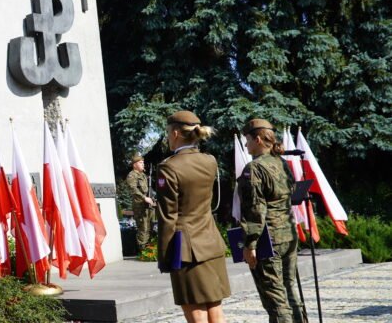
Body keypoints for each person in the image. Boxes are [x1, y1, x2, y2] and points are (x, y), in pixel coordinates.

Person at [156, 110, 230, 323]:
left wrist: (164, 256)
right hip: (211, 241)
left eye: (169, 133)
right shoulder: (210, 161)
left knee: (196, 313)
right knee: (215, 308)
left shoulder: (169, 167)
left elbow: (167, 217)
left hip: (186, 249)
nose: (168, 137)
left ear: (177, 133)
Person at [238, 119, 306, 323]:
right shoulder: (281, 162)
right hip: (288, 234)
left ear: (257, 139)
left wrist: (250, 244)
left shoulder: (254, 168)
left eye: (247, 140)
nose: (246, 145)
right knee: (290, 288)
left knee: (275, 298)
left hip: (269, 239)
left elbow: (255, 211)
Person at [126, 153, 155, 252]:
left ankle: (149, 250)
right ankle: (143, 252)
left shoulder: (143, 175)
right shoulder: (132, 175)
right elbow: (133, 189)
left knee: (150, 227)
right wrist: (144, 198)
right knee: (143, 229)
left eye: (143, 162)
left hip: (147, 206)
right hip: (140, 206)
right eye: (141, 162)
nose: (143, 164)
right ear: (134, 165)